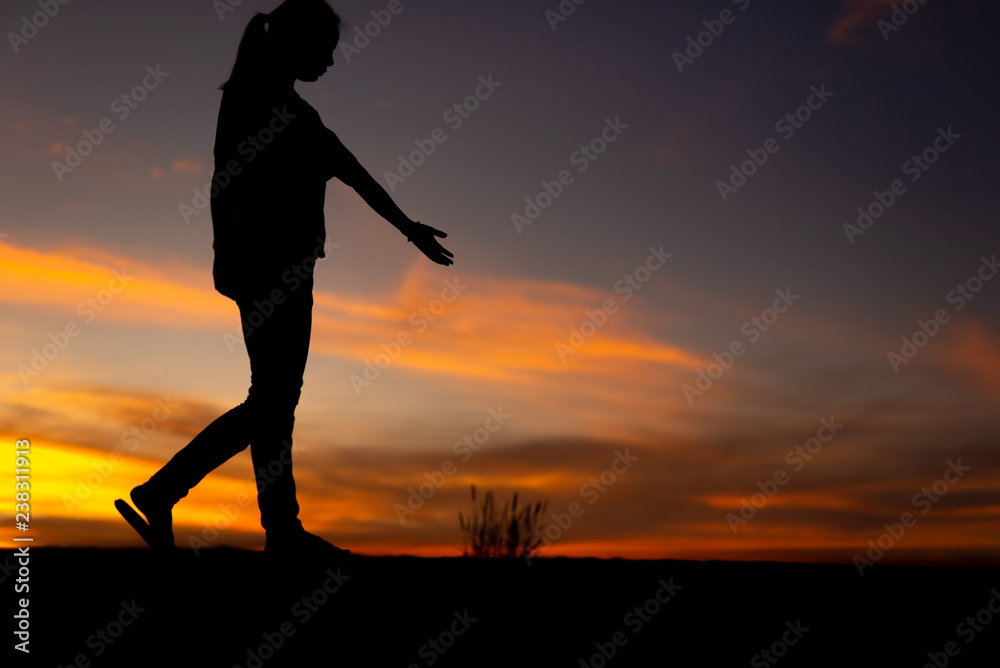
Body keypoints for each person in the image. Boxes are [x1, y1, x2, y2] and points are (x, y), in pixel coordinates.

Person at [116, 0, 453, 560]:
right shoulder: (267, 106)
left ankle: (278, 529)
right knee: (274, 400)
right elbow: (233, 186)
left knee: (274, 399)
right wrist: (406, 229)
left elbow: (349, 171)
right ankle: (171, 493)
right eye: (324, 51)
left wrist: (408, 228)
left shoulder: (283, 108)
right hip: (273, 271)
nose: (330, 63)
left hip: (273, 269)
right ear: (297, 44)